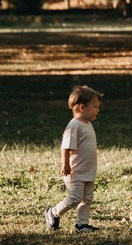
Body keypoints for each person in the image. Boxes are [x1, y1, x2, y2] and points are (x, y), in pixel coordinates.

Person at [44, 84, 103, 233]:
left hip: (88, 171)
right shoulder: (74, 126)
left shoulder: (87, 124)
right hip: (75, 171)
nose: (98, 110)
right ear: (82, 108)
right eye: (95, 107)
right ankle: (53, 212)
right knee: (75, 198)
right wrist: (65, 164)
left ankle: (82, 224)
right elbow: (66, 146)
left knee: (87, 199)